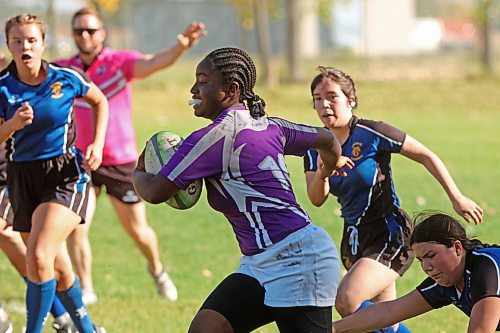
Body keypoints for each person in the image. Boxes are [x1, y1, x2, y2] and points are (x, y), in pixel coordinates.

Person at [133, 47, 354, 333]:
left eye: (202, 81)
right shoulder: (271, 125)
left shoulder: (210, 139)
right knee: (207, 328)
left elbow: (154, 191)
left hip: (297, 260)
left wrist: (137, 170)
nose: (193, 89)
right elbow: (327, 139)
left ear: (231, 89)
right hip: (260, 263)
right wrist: (331, 163)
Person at [303, 66, 483, 332]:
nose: (324, 104)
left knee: (347, 300)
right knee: (385, 318)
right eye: (317, 98)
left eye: (332, 96)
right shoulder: (316, 145)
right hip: (354, 238)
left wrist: (456, 197)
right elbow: (316, 198)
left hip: (390, 233)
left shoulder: (372, 132)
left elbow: (426, 155)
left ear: (351, 100)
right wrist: (323, 172)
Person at [56, 7, 207, 304]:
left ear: (102, 33)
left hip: (120, 161)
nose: (84, 36)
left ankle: (157, 270)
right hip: (81, 160)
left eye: (90, 30)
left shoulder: (118, 63)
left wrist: (182, 46)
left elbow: (155, 62)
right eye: (78, 31)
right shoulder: (65, 69)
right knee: (76, 226)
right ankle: (87, 288)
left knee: (138, 231)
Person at [0, 13, 108, 333]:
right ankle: (86, 329)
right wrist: (12, 125)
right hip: (22, 178)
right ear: (8, 45)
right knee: (57, 268)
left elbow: (99, 100)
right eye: (17, 41)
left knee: (38, 254)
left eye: (32, 40)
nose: (25, 47)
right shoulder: (3, 87)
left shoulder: (65, 77)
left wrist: (97, 145)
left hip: (64, 174)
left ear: (43, 43)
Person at [332, 211, 499, 332]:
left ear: (457, 247)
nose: (426, 267)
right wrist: (332, 329)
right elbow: (389, 311)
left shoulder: (485, 268)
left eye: (431, 255)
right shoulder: (448, 280)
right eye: (421, 260)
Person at [0, 144, 77, 333]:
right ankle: (64, 318)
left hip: (8, 178)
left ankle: (77, 322)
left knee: (42, 258)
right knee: (25, 254)